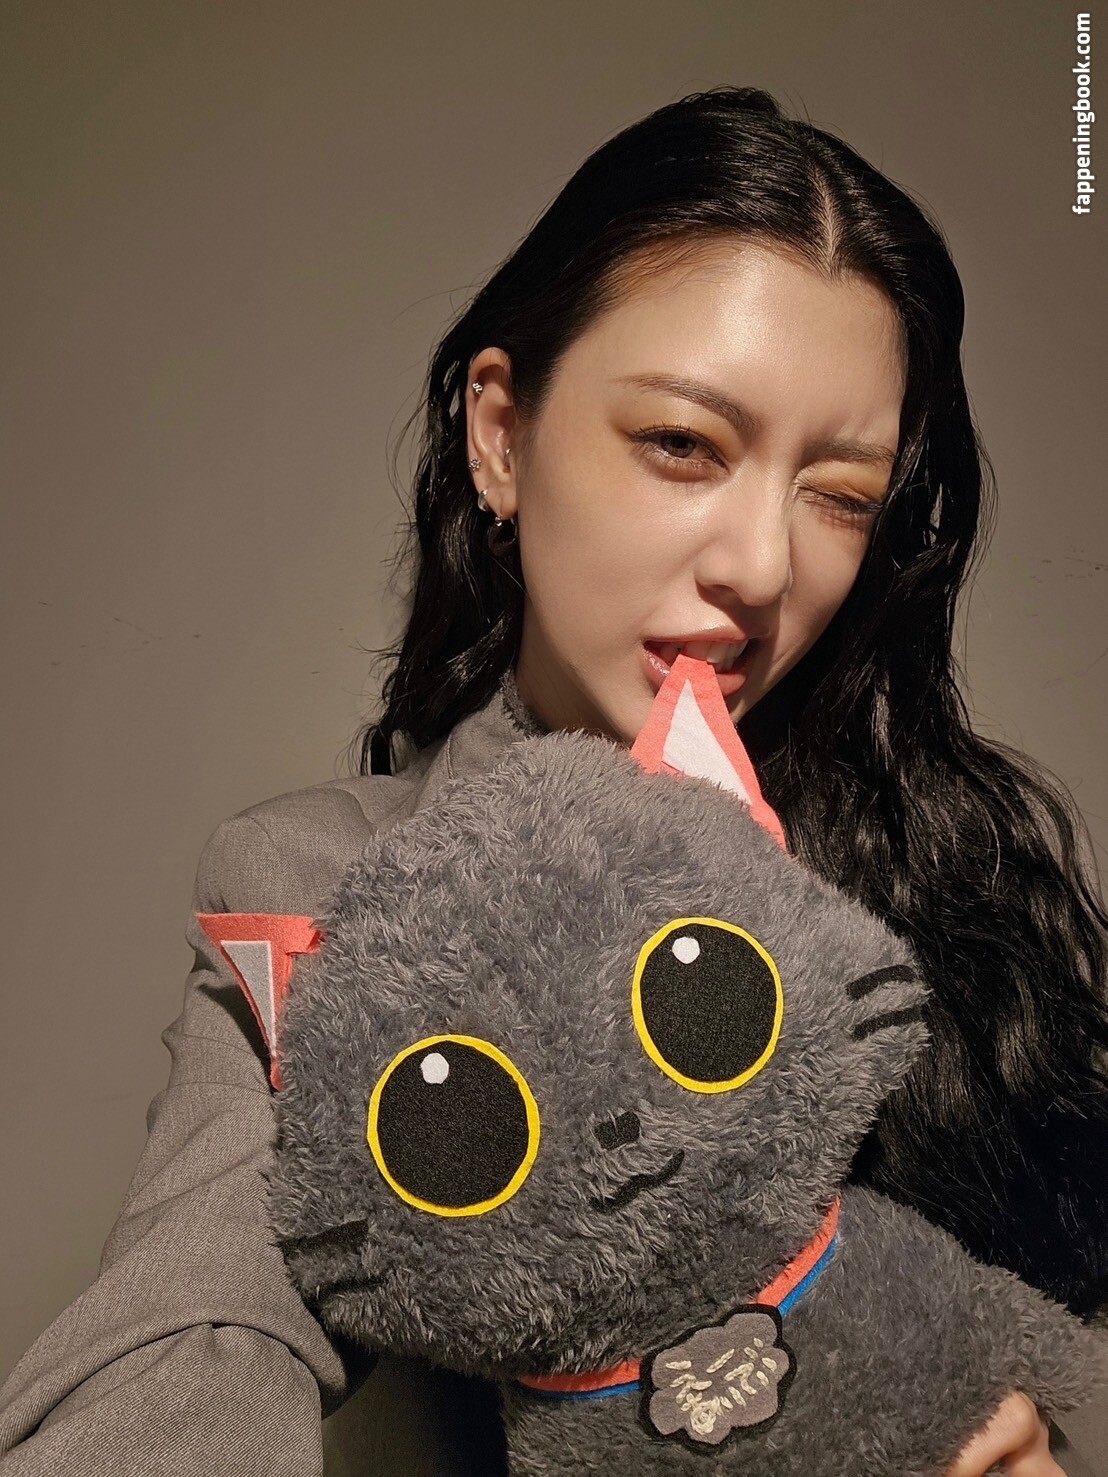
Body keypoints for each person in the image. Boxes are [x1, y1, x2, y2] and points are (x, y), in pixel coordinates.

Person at [1, 84, 1105, 1477]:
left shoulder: (959, 864)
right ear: (501, 436)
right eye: (683, 445)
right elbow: (195, 1328)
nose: (763, 566)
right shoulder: (332, 888)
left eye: (840, 493)